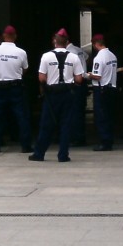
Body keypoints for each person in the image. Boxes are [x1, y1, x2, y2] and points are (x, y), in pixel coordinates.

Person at [30, 28, 85, 162]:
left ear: (55, 41)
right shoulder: (74, 57)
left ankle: (39, 153)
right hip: (68, 93)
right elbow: (79, 79)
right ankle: (63, 155)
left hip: (51, 95)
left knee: (46, 124)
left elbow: (41, 78)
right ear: (67, 42)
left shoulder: (46, 56)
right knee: (66, 125)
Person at [0, 25, 31, 153]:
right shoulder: (21, 52)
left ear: (3, 36)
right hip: (15, 86)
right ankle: (25, 145)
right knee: (21, 116)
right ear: (15, 36)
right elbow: (25, 69)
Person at [89, 34, 118, 151]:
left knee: (101, 116)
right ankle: (109, 140)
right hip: (112, 88)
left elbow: (97, 76)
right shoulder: (113, 56)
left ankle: (104, 142)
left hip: (101, 89)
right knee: (110, 115)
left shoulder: (99, 58)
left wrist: (88, 75)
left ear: (95, 44)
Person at [66, 35, 89, 146]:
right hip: (83, 81)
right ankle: (80, 136)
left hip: (76, 82)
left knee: (74, 112)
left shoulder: (70, 52)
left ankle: (77, 137)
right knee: (79, 111)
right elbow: (87, 57)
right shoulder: (78, 50)